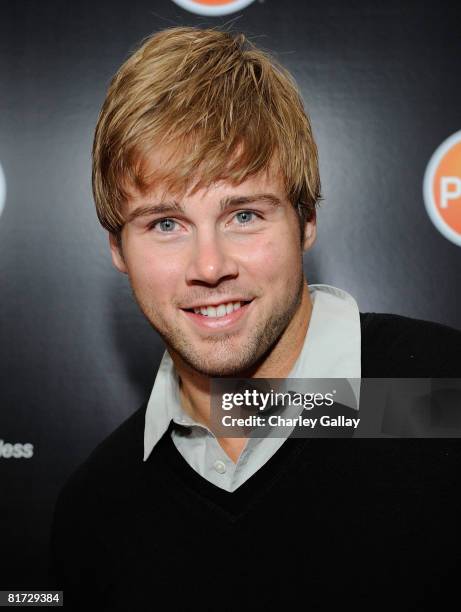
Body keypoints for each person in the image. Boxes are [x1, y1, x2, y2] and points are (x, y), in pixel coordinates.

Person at [49, 26, 461, 610]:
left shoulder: (444, 395)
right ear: (118, 249)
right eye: (165, 224)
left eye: (244, 214)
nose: (209, 265)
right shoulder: (94, 510)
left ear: (306, 219)